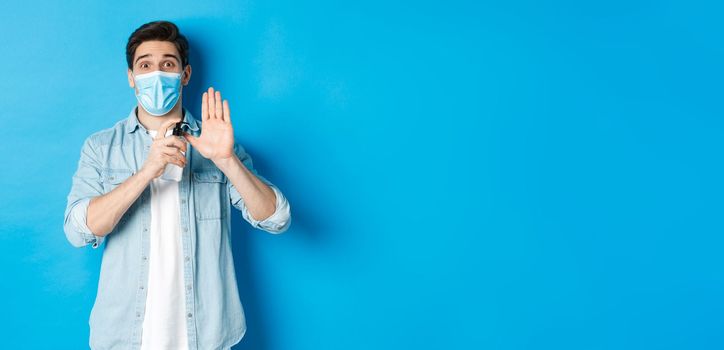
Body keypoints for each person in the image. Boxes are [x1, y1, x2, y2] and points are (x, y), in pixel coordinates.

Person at [63, 20, 291, 350]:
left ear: (184, 74)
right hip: (124, 337)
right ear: (131, 77)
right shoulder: (101, 147)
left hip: (207, 336)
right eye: (145, 65)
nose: (156, 74)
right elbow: (77, 230)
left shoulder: (219, 144)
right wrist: (145, 173)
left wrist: (226, 159)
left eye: (168, 64)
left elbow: (276, 218)